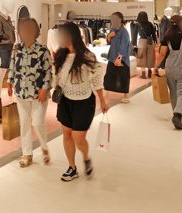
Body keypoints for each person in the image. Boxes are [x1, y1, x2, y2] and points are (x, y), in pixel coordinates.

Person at [53, 22, 108, 182]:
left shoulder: (87, 56)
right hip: (65, 101)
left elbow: (96, 79)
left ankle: (86, 157)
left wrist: (102, 100)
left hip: (84, 102)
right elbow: (56, 76)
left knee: (79, 138)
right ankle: (72, 167)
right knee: (67, 134)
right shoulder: (60, 55)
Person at [7, 18, 52, 168]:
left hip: (39, 92)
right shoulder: (16, 48)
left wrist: (45, 88)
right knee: (24, 123)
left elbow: (48, 71)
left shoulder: (42, 50)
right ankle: (27, 154)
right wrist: (9, 82)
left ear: (35, 32)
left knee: (38, 122)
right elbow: (12, 66)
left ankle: (44, 147)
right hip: (21, 91)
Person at [154, 15, 182, 130]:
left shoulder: (166, 37)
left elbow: (162, 54)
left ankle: (176, 113)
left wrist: (156, 66)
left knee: (173, 92)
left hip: (170, 68)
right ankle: (177, 114)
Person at [105, 11, 131, 103]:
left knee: (123, 76)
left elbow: (124, 45)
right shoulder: (113, 29)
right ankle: (107, 92)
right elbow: (108, 42)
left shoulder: (124, 32)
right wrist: (109, 36)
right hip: (112, 56)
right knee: (109, 75)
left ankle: (126, 95)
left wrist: (119, 57)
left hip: (122, 58)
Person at [135, 11, 157, 79]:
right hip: (150, 41)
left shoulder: (137, 24)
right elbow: (153, 33)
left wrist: (134, 44)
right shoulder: (150, 24)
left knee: (142, 57)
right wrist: (155, 41)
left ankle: (143, 74)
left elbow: (134, 35)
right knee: (150, 56)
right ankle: (150, 72)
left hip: (142, 41)